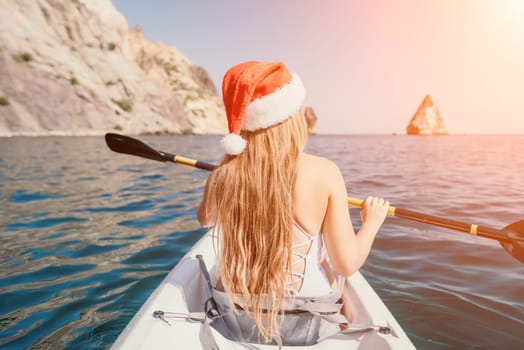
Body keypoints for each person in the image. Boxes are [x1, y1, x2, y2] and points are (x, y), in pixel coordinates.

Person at [198, 61, 389, 343]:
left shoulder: (225, 173)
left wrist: (221, 173)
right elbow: (348, 264)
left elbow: (205, 219)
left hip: (236, 313)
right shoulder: (324, 171)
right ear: (290, 119)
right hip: (305, 319)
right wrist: (372, 222)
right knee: (332, 267)